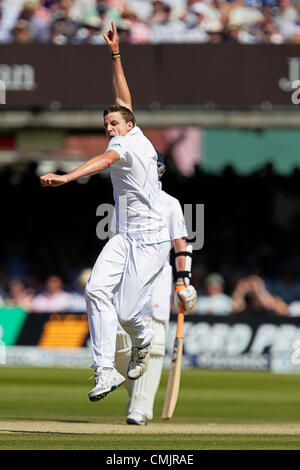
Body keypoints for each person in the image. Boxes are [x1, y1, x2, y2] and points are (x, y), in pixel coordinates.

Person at [40, 21, 192, 403]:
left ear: (129, 125)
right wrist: (115, 55)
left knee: (127, 312)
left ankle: (141, 342)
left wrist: (66, 177)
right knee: (94, 291)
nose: (109, 127)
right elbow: (122, 95)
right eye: (106, 123)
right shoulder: (133, 131)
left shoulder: (124, 146)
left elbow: (104, 159)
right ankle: (104, 369)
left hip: (152, 240)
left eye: (114, 123)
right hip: (123, 235)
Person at [114, 152, 197, 425]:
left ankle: (140, 408)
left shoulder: (169, 204)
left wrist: (183, 282)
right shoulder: (124, 203)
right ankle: (138, 395)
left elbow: (180, 244)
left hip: (158, 283)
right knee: (121, 346)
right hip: (127, 282)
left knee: (155, 344)